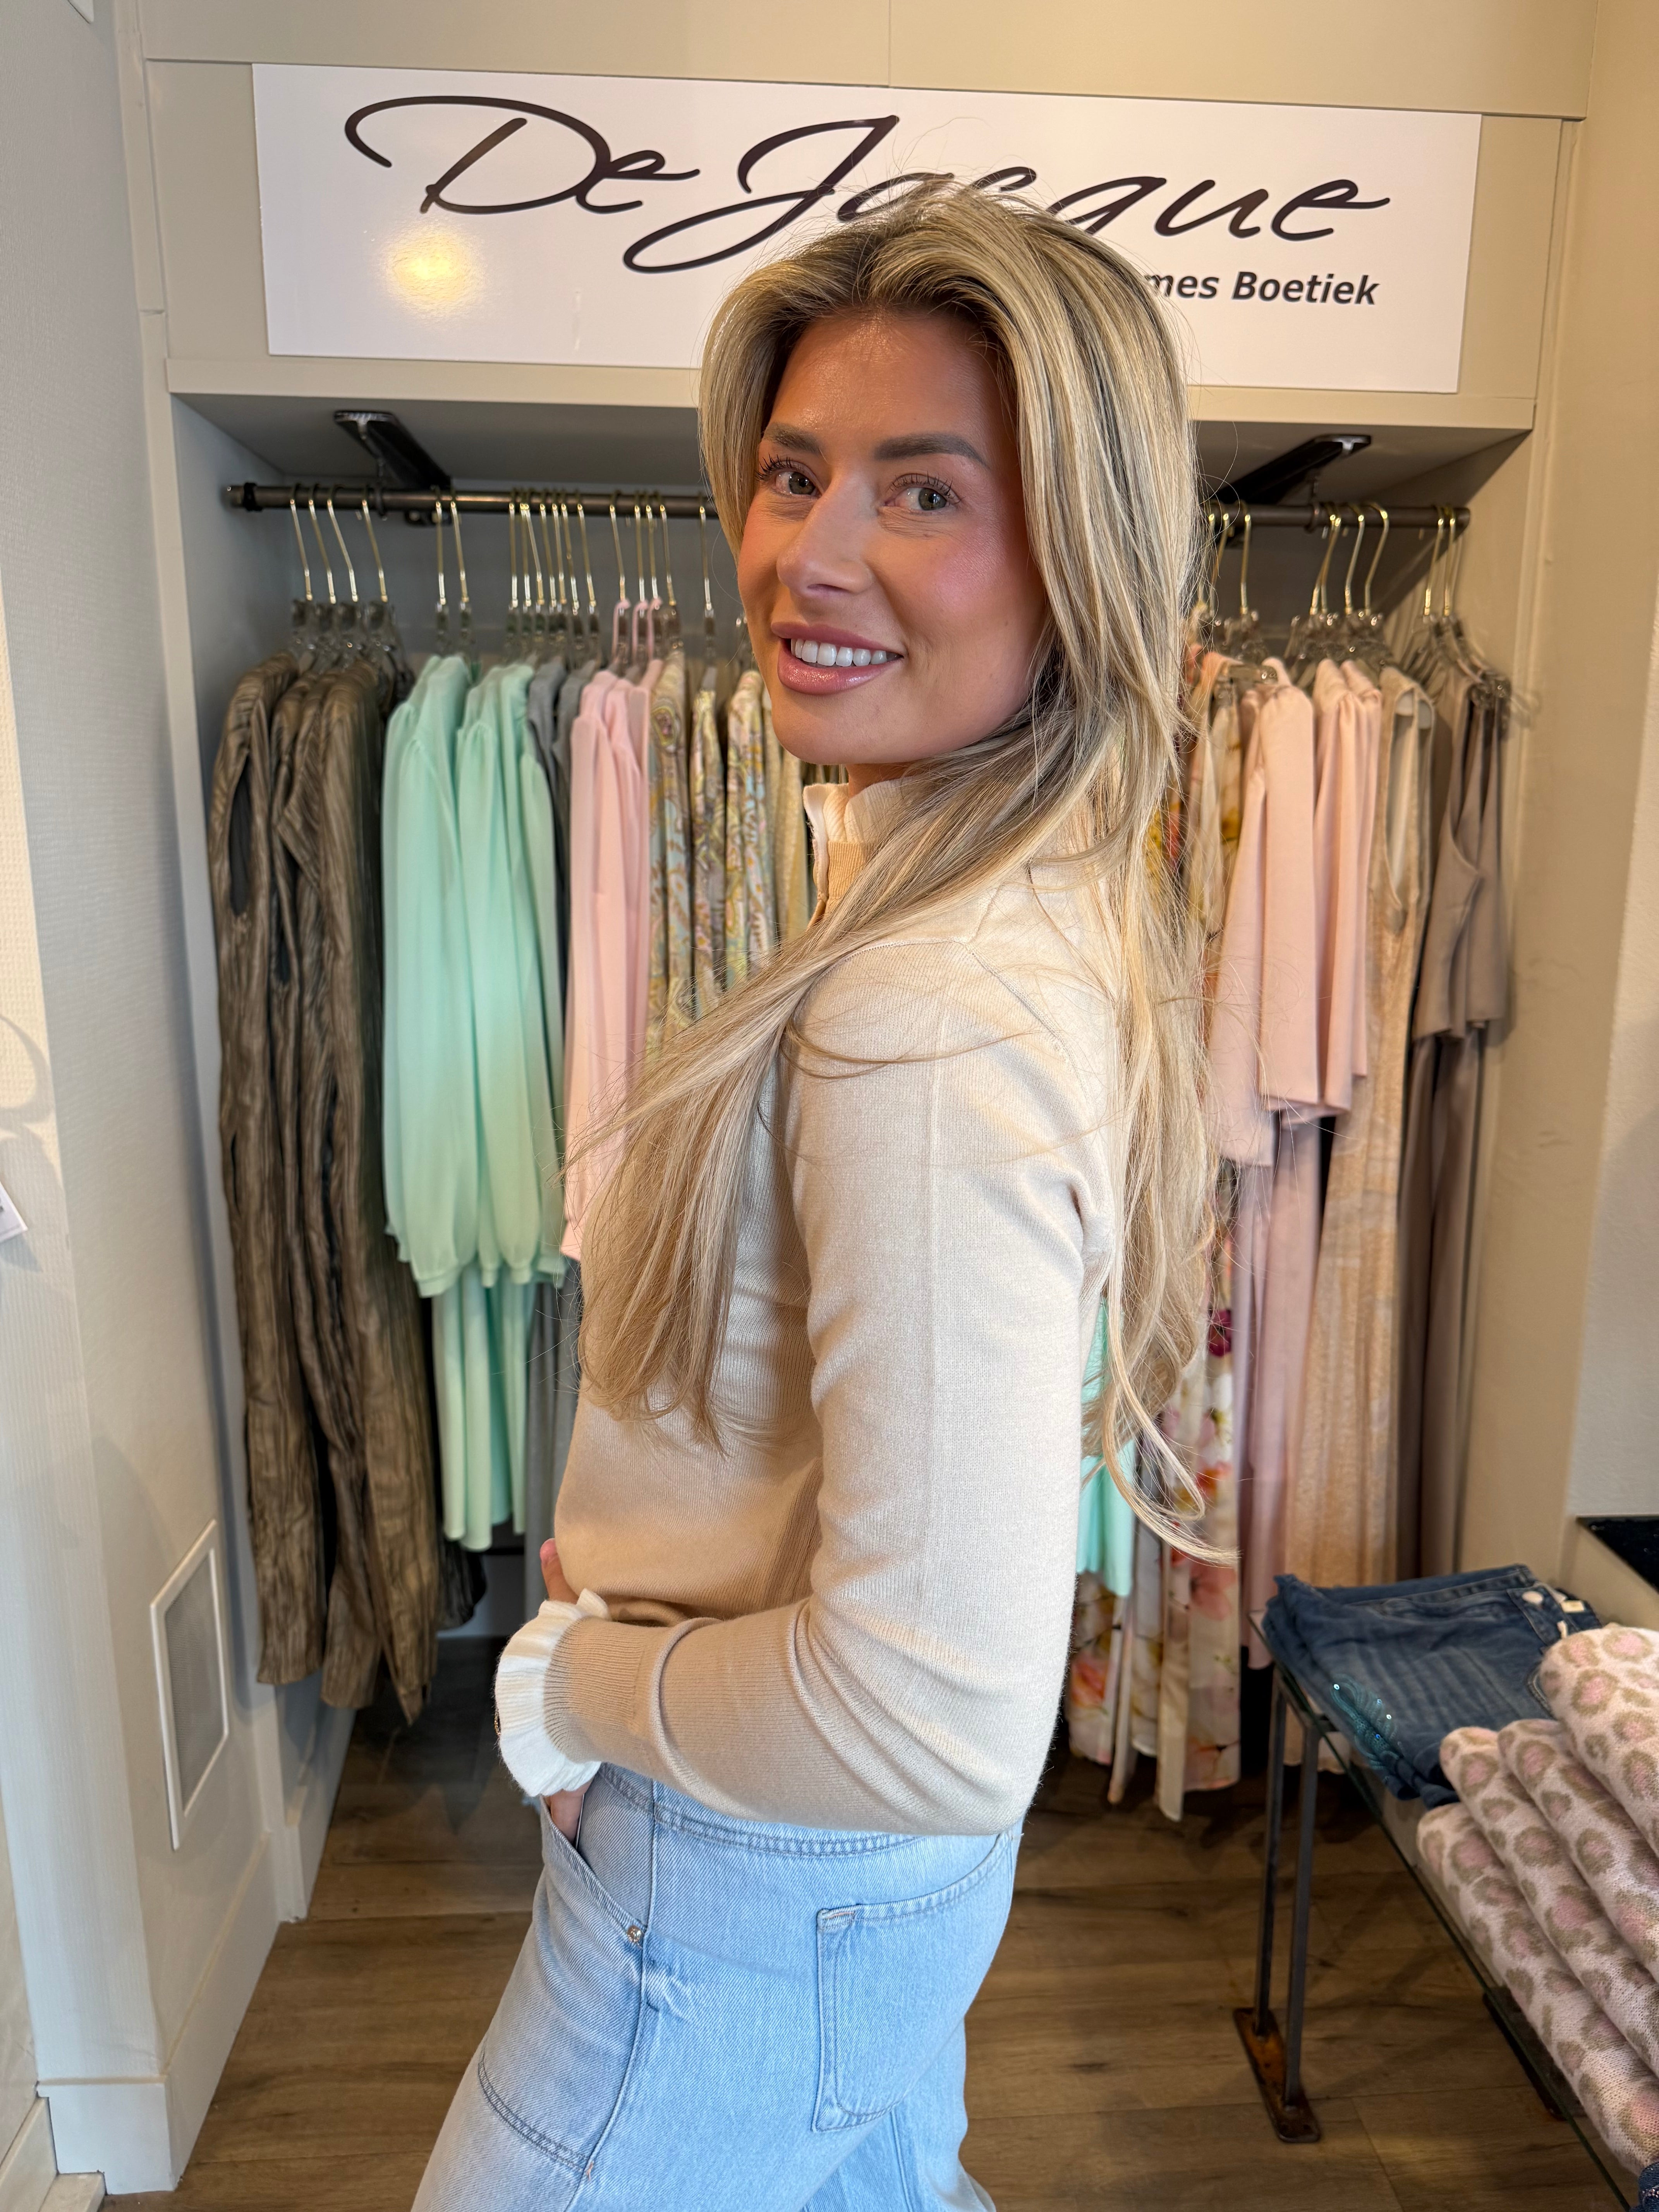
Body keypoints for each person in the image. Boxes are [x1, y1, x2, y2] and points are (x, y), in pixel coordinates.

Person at [414, 184, 1211, 2212]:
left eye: (923, 492)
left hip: (747, 1890)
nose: (808, 555)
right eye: (792, 474)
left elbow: (930, 1718)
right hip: (830, 1886)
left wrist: (572, 1682)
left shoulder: (932, 1006)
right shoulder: (983, 889)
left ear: (1081, 552)